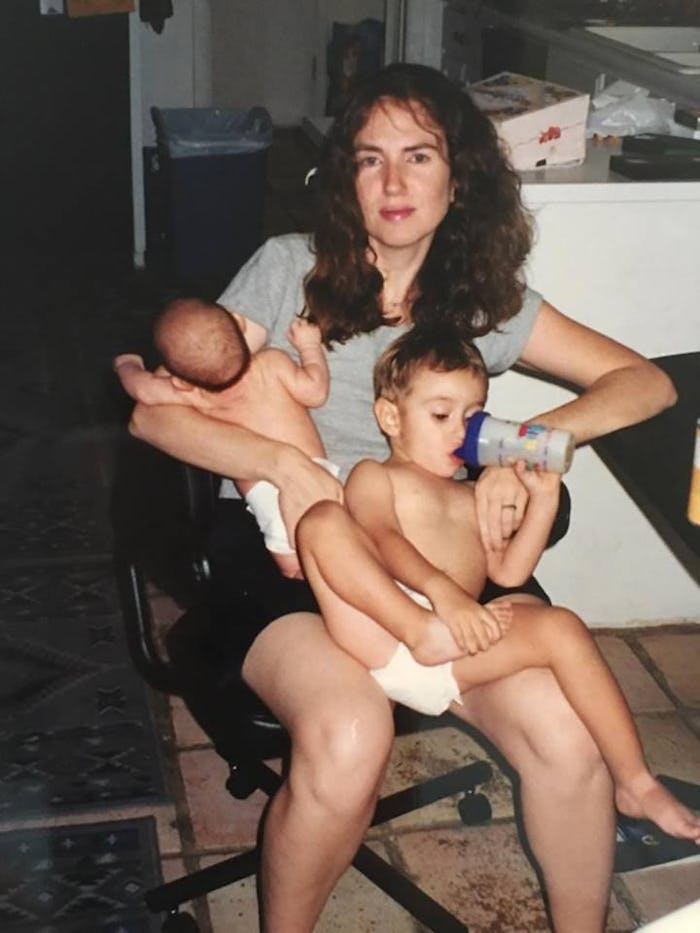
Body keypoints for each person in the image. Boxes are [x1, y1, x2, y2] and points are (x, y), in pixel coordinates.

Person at [128, 63, 679, 933]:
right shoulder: (289, 267)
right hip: (293, 554)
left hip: (437, 553)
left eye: (418, 157)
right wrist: (283, 460)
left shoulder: (486, 304)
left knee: (571, 741)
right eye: (370, 157)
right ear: (345, 175)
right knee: (350, 736)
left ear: (458, 177)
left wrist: (515, 448)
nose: (392, 183)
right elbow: (159, 421)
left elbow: (644, 384)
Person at [296, 325, 700, 844]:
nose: (459, 432)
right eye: (441, 415)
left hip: (450, 653)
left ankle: (635, 782)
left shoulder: (471, 497)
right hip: (386, 632)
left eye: (472, 416)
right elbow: (381, 538)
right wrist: (440, 600)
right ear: (390, 417)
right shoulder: (376, 476)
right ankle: (419, 627)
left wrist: (544, 500)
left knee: (562, 628)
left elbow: (507, 574)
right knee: (323, 521)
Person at [115, 296, 332, 579]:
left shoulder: (191, 394)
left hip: (265, 496)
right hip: (318, 473)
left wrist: (127, 365)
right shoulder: (272, 364)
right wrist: (309, 347)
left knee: (293, 565)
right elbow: (316, 393)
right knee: (337, 539)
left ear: (178, 379)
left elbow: (144, 392)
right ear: (240, 323)